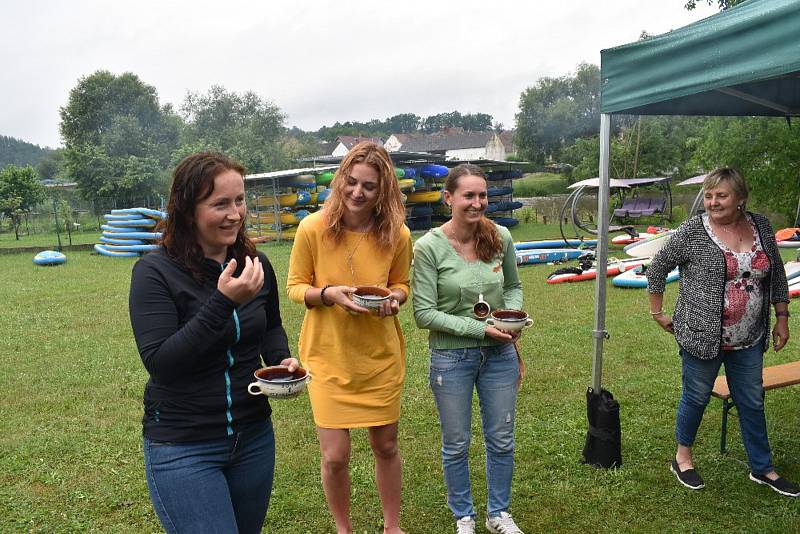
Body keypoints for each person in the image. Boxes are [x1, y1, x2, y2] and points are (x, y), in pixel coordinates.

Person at [129, 151, 299, 533]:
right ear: (188, 210)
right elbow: (162, 362)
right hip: (183, 445)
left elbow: (270, 326)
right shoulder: (154, 272)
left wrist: (281, 361)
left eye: (239, 200)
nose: (235, 214)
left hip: (253, 437)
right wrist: (223, 303)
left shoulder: (255, 264)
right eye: (220, 203)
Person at [647, 167, 799, 497]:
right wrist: (657, 311)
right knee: (697, 396)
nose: (713, 202)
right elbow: (658, 265)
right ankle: (682, 459)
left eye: (722, 195)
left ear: (740, 199)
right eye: (709, 195)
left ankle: (763, 468)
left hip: (749, 337)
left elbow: (775, 278)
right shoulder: (693, 230)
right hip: (701, 335)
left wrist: (782, 318)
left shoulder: (761, 226)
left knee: (752, 401)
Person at [286, 141, 411, 534]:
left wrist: (395, 298)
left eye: (369, 186)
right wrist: (328, 294)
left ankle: (392, 527)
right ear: (340, 181)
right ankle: (344, 529)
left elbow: (402, 284)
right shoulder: (312, 228)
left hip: (378, 357)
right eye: (351, 182)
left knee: (386, 446)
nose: (358, 192)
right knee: (335, 456)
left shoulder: (398, 234)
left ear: (383, 191)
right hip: (327, 356)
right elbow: (294, 287)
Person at [412, 163, 525, 534]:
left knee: (502, 436)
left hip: (500, 355)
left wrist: (513, 316)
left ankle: (499, 514)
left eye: (482, 195)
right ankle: (464, 516)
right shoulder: (428, 247)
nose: (477, 203)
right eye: (468, 196)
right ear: (448, 198)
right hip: (451, 358)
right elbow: (424, 314)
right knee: (456, 442)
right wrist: (481, 329)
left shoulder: (500, 237)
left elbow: (513, 286)